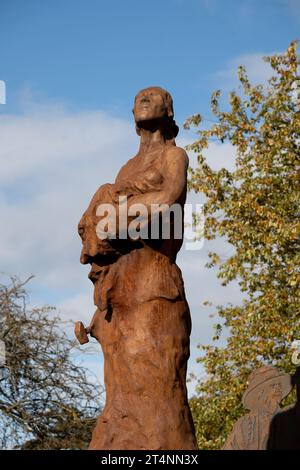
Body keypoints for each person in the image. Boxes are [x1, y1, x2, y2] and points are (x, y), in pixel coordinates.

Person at [76, 87, 197, 450]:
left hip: (154, 290)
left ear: (168, 109)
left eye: (153, 96)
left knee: (158, 397)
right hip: (122, 294)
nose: (144, 100)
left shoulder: (174, 156)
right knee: (120, 401)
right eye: (138, 98)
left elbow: (169, 200)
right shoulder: (127, 168)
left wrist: (114, 219)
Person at [223, 366, 292, 450]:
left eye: (279, 385)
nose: (279, 389)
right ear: (260, 393)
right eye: (273, 385)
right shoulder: (243, 424)